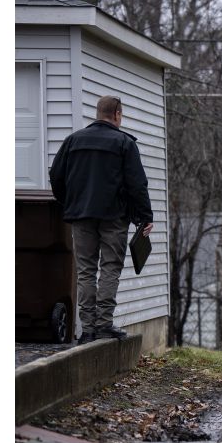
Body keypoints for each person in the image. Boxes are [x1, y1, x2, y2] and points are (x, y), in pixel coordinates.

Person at [49, 96, 153, 344]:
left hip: (81, 216)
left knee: (85, 271)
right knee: (109, 268)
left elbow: (56, 175)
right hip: (114, 218)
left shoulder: (73, 141)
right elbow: (137, 184)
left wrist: (69, 202)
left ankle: (88, 330)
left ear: (98, 114)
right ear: (117, 114)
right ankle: (104, 324)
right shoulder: (124, 144)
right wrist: (145, 217)